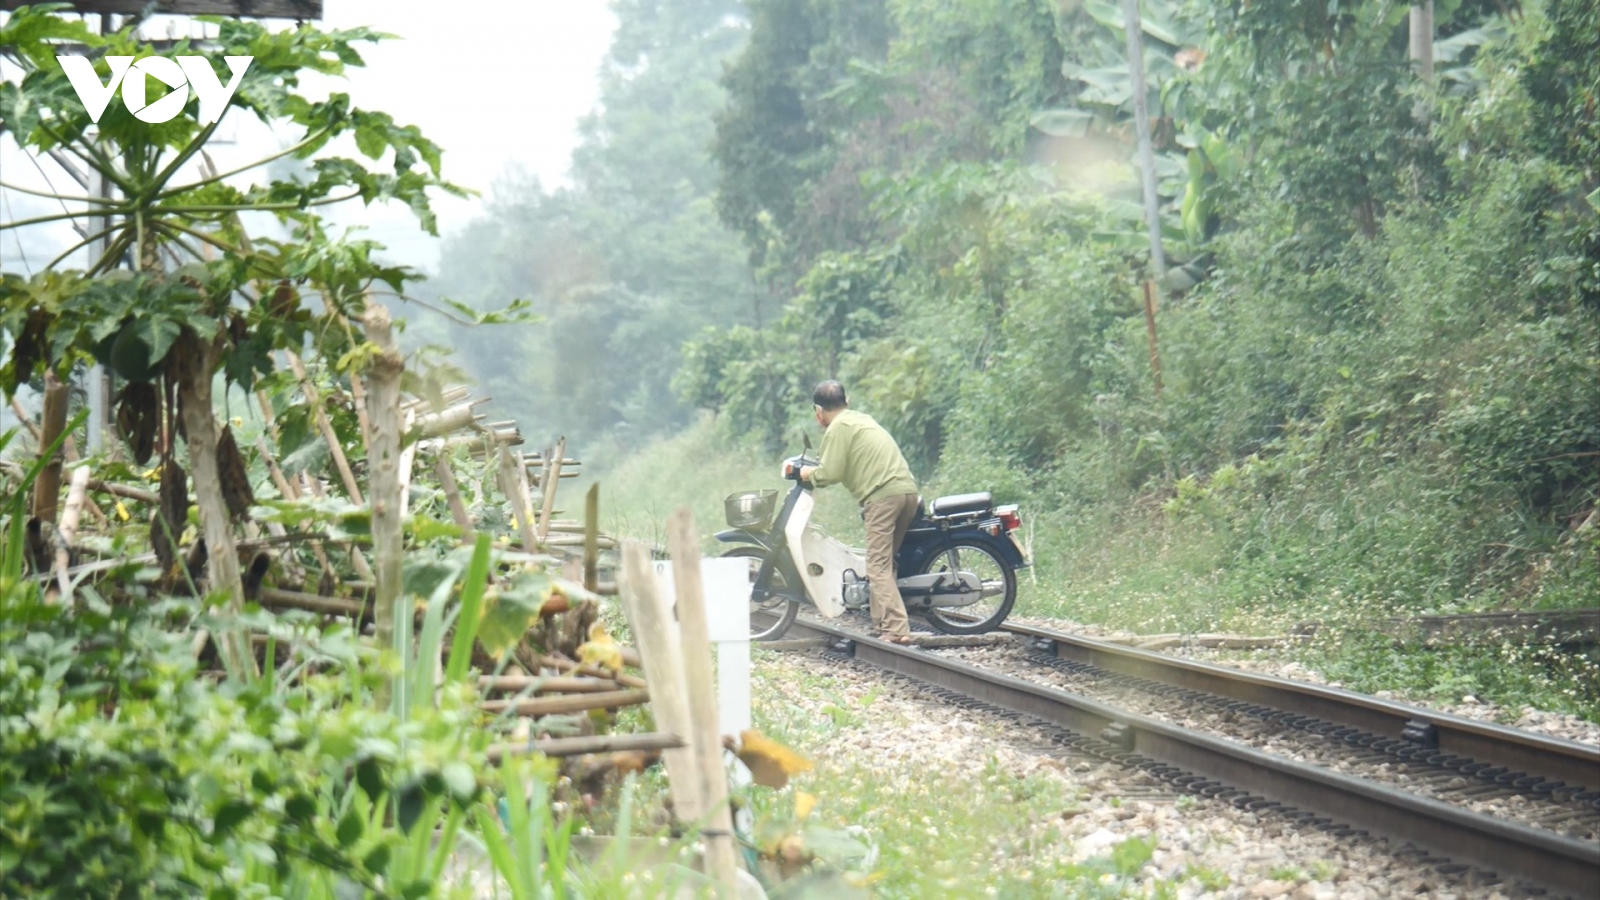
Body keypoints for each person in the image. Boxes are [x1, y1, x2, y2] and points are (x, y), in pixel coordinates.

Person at [798, 380, 920, 644]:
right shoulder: (860, 419)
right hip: (907, 491)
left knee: (876, 566)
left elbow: (831, 472)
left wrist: (809, 473)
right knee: (885, 562)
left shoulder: (837, 428)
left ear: (818, 411)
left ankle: (898, 629)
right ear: (847, 400)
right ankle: (882, 624)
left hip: (883, 496)